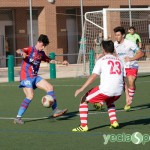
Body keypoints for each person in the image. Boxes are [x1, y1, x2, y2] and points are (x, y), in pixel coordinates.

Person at [14, 34, 68, 124]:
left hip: (35, 77)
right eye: (42, 45)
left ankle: (55, 110)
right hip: (26, 77)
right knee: (30, 96)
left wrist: (62, 62)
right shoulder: (30, 49)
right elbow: (19, 50)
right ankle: (18, 117)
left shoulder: (41, 53)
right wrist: (22, 53)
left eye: (45, 46)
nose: (43, 47)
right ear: (38, 42)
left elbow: (50, 60)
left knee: (50, 87)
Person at [72, 40, 124, 132]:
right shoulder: (120, 61)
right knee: (110, 100)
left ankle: (83, 126)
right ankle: (114, 121)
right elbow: (123, 78)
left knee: (83, 99)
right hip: (119, 92)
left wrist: (81, 89)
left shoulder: (101, 61)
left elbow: (93, 76)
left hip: (106, 90)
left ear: (103, 50)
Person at [114, 26, 144, 111]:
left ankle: (129, 99)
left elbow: (141, 53)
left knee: (131, 80)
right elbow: (116, 54)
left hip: (131, 65)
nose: (116, 37)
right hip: (121, 66)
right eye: (115, 35)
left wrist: (130, 59)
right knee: (123, 83)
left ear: (123, 35)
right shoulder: (115, 44)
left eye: (118, 35)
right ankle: (128, 97)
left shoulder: (130, 43)